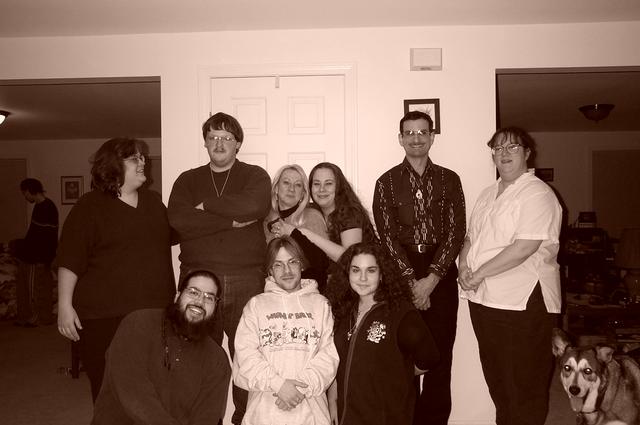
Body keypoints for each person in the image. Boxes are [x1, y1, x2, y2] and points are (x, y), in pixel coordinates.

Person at [168, 112, 271, 424]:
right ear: (205, 142)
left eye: (227, 138)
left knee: (248, 355)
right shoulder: (188, 180)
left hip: (246, 278)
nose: (219, 143)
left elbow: (255, 206)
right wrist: (229, 221)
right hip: (198, 282)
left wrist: (207, 207)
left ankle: (245, 419)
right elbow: (179, 220)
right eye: (213, 137)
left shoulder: (255, 176)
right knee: (196, 355)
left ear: (238, 143)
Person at [57, 138, 175, 401]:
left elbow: (178, 232)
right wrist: (64, 306)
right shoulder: (89, 206)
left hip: (154, 314)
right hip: (104, 318)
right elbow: (69, 259)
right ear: (112, 165)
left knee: (151, 388)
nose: (143, 162)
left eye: (142, 157)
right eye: (134, 158)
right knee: (107, 389)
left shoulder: (153, 202)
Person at [458, 127, 562, 425]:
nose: (504, 154)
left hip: (522, 302)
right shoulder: (488, 193)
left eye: (512, 147)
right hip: (485, 300)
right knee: (499, 379)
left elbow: (524, 247)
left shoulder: (537, 194)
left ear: (527, 153)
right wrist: (463, 267)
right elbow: (471, 238)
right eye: (498, 148)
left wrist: (478, 274)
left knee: (524, 384)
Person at [372, 110, 466, 425]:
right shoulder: (386, 182)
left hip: (441, 270)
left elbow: (456, 232)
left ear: (432, 136)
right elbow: (386, 237)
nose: (416, 139)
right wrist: (412, 282)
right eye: (409, 133)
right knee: (404, 353)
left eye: (422, 132)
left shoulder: (449, 179)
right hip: (401, 270)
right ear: (400, 139)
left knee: (440, 354)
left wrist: (431, 279)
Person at [92, 269, 230, 425]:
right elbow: (133, 390)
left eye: (209, 298)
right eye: (193, 292)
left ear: (215, 308)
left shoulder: (217, 360)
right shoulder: (137, 323)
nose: (200, 302)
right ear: (177, 296)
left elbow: (206, 417)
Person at [325, 242, 439, 425]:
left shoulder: (401, 313)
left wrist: (396, 371)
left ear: (382, 274)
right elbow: (338, 360)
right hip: (348, 417)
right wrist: (332, 400)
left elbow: (429, 359)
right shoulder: (343, 311)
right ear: (347, 273)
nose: (362, 278)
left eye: (371, 270)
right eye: (356, 270)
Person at [233, 236, 339, 425]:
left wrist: (299, 390)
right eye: (278, 265)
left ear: (302, 265)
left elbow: (330, 356)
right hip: (264, 414)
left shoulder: (321, 305)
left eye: (292, 262)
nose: (287, 271)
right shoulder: (255, 306)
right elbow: (245, 355)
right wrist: (278, 384)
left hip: (312, 414)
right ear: (270, 270)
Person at [276, 162, 377, 265]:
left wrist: (304, 233)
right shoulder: (313, 211)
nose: (322, 189)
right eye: (317, 184)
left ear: (339, 187)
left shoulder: (350, 213)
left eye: (328, 183)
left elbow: (352, 259)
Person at [265, 164, 329, 290]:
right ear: (276, 188)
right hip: (273, 293)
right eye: (286, 183)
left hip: (308, 292)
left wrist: (293, 234)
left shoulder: (312, 217)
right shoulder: (266, 220)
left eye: (298, 185)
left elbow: (323, 264)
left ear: (303, 194)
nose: (291, 189)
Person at [10, 178, 58, 327]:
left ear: (30, 191)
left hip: (38, 258)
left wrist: (42, 259)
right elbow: (34, 236)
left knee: (35, 289)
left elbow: (45, 239)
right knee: (26, 287)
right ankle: (27, 316)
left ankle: (36, 317)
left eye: (25, 193)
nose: (25, 197)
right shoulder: (39, 206)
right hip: (33, 256)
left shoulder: (47, 207)